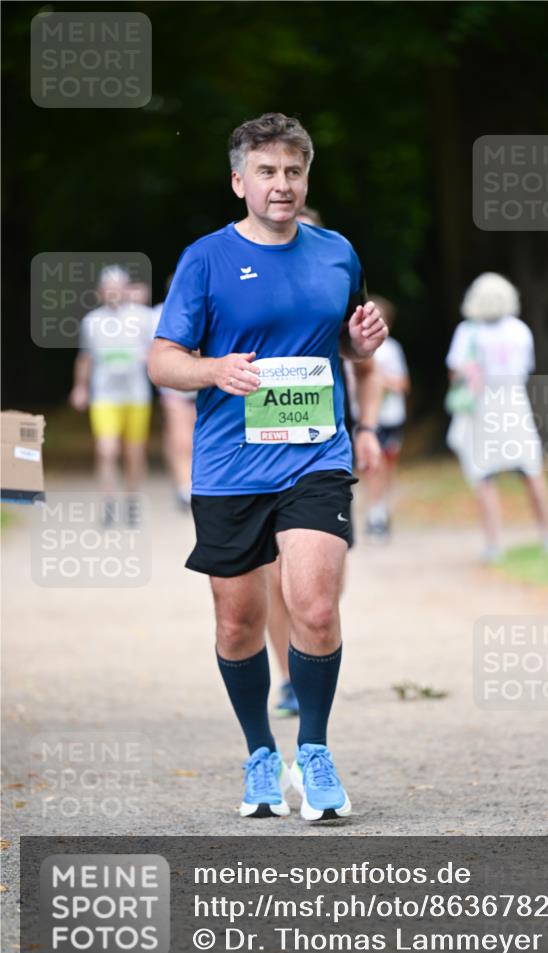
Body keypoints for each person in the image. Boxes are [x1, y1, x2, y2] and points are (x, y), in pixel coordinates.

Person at [148, 113, 387, 820]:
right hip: (229, 466)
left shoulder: (336, 252)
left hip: (315, 455)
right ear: (238, 181)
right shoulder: (206, 259)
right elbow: (162, 360)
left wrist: (363, 339)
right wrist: (212, 368)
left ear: (304, 178)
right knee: (237, 623)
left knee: (314, 605)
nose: (280, 184)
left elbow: (347, 341)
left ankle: (312, 752)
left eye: (292, 171)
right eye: (266, 171)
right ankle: (259, 755)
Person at [269, 206, 382, 718]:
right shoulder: (255, 291)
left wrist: (368, 429)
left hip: (325, 449)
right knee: (273, 572)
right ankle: (289, 676)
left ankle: (314, 638)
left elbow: (366, 368)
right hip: (263, 452)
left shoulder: (332, 282)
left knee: (324, 579)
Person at [445, 271, 548, 563]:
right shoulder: (520, 329)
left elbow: (455, 372)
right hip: (514, 403)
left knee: (484, 475)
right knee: (531, 470)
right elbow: (527, 367)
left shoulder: (468, 331)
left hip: (483, 406)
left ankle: (494, 544)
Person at [69, 266, 154, 526]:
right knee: (107, 450)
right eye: (108, 289)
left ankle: (132, 501)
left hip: (136, 395)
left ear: (126, 290)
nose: (113, 293)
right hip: (104, 395)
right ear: (100, 292)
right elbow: (85, 358)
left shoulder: (144, 317)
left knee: (134, 452)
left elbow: (162, 351)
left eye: (118, 288)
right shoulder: (92, 321)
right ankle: (107, 503)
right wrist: (80, 387)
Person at [348, 295, 410, 541]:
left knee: (385, 466)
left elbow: (402, 384)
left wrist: (380, 380)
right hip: (362, 416)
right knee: (370, 466)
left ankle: (380, 510)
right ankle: (374, 513)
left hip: (390, 417)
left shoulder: (392, 349)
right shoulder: (351, 349)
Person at [153, 275, 198, 511]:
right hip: (175, 388)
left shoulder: (208, 308)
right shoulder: (158, 315)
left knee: (195, 438)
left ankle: (195, 483)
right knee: (181, 439)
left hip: (204, 385)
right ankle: (183, 488)